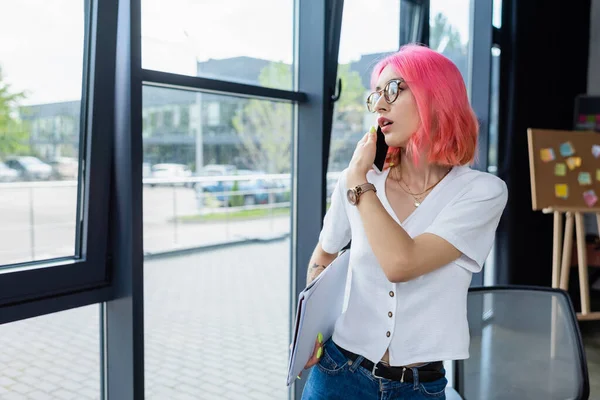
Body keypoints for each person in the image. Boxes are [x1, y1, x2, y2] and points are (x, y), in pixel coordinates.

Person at [299, 44, 508, 399]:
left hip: (419, 388)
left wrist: (359, 182)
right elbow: (324, 255)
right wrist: (310, 334)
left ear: (436, 95)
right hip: (338, 373)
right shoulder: (359, 181)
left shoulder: (481, 192)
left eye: (394, 90)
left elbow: (402, 262)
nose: (380, 104)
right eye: (376, 95)